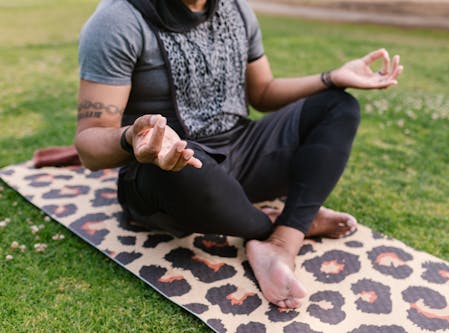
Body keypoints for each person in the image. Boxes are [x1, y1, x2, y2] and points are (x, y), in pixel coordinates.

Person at [75, 0, 403, 309]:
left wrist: (331, 78)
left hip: (240, 146)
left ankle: (283, 240)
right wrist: (132, 137)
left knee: (338, 105)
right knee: (181, 162)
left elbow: (262, 92)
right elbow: (89, 143)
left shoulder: (235, 8)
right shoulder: (118, 21)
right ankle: (284, 223)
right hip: (170, 170)